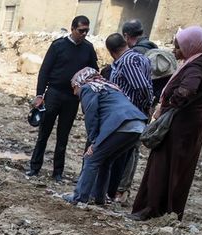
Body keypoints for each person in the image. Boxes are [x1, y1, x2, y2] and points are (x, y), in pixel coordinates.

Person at [129, 26, 202, 222]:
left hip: (180, 126)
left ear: (191, 45)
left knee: (162, 166)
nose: (175, 51)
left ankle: (152, 208)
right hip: (190, 125)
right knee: (177, 168)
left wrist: (168, 106)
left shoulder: (197, 66)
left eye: (178, 47)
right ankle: (167, 210)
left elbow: (187, 90)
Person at [26, 16, 99, 182]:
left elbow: (94, 72)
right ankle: (34, 168)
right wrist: (39, 95)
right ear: (72, 29)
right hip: (53, 94)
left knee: (63, 136)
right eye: (81, 31)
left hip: (72, 98)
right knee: (43, 133)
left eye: (87, 31)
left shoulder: (88, 48)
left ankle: (57, 172)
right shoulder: (58, 46)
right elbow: (44, 71)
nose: (84, 34)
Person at [62, 68, 147, 205]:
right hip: (138, 126)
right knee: (106, 161)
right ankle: (99, 198)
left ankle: (79, 197)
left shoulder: (88, 88)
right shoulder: (109, 87)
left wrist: (93, 142)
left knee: (91, 158)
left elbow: (92, 116)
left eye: (74, 87)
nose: (74, 92)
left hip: (121, 125)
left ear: (80, 83)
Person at [103, 32, 153, 204]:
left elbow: (142, 86)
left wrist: (143, 107)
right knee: (122, 154)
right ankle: (111, 191)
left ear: (111, 51)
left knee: (117, 155)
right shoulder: (140, 58)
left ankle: (109, 192)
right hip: (133, 114)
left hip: (127, 115)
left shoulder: (127, 61)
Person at [121, 19, 175, 102]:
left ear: (126, 36)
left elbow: (139, 85)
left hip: (142, 101)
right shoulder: (153, 47)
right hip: (158, 96)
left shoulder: (134, 55)